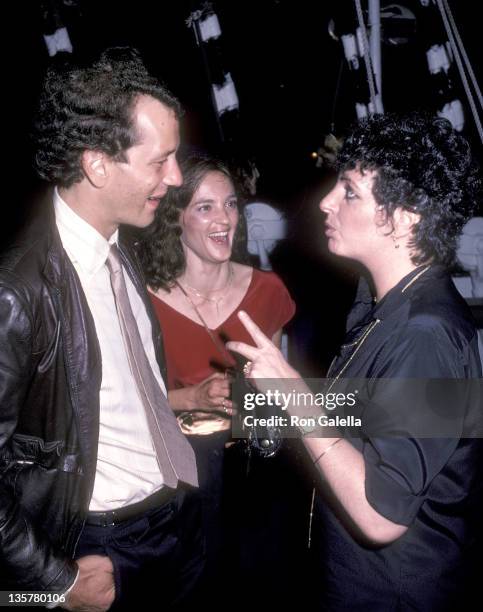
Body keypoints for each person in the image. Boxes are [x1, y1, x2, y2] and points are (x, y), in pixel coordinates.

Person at [226, 113, 483, 610]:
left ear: (404, 215)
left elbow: (380, 517)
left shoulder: (425, 334)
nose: (325, 201)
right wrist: (244, 410)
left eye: (348, 191)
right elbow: (371, 417)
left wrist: (295, 398)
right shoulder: (387, 306)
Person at [0, 47, 203, 611]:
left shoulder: (120, 252)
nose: (176, 177)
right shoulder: (16, 291)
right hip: (98, 547)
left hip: (174, 519)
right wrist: (51, 582)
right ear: (96, 165)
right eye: (160, 160)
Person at [138, 152, 295, 594]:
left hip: (252, 487)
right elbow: (123, 402)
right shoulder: (144, 299)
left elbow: (278, 398)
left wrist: (254, 408)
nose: (224, 218)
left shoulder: (268, 290)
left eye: (230, 204)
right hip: (175, 490)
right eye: (205, 207)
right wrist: (193, 399)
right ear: (176, 218)